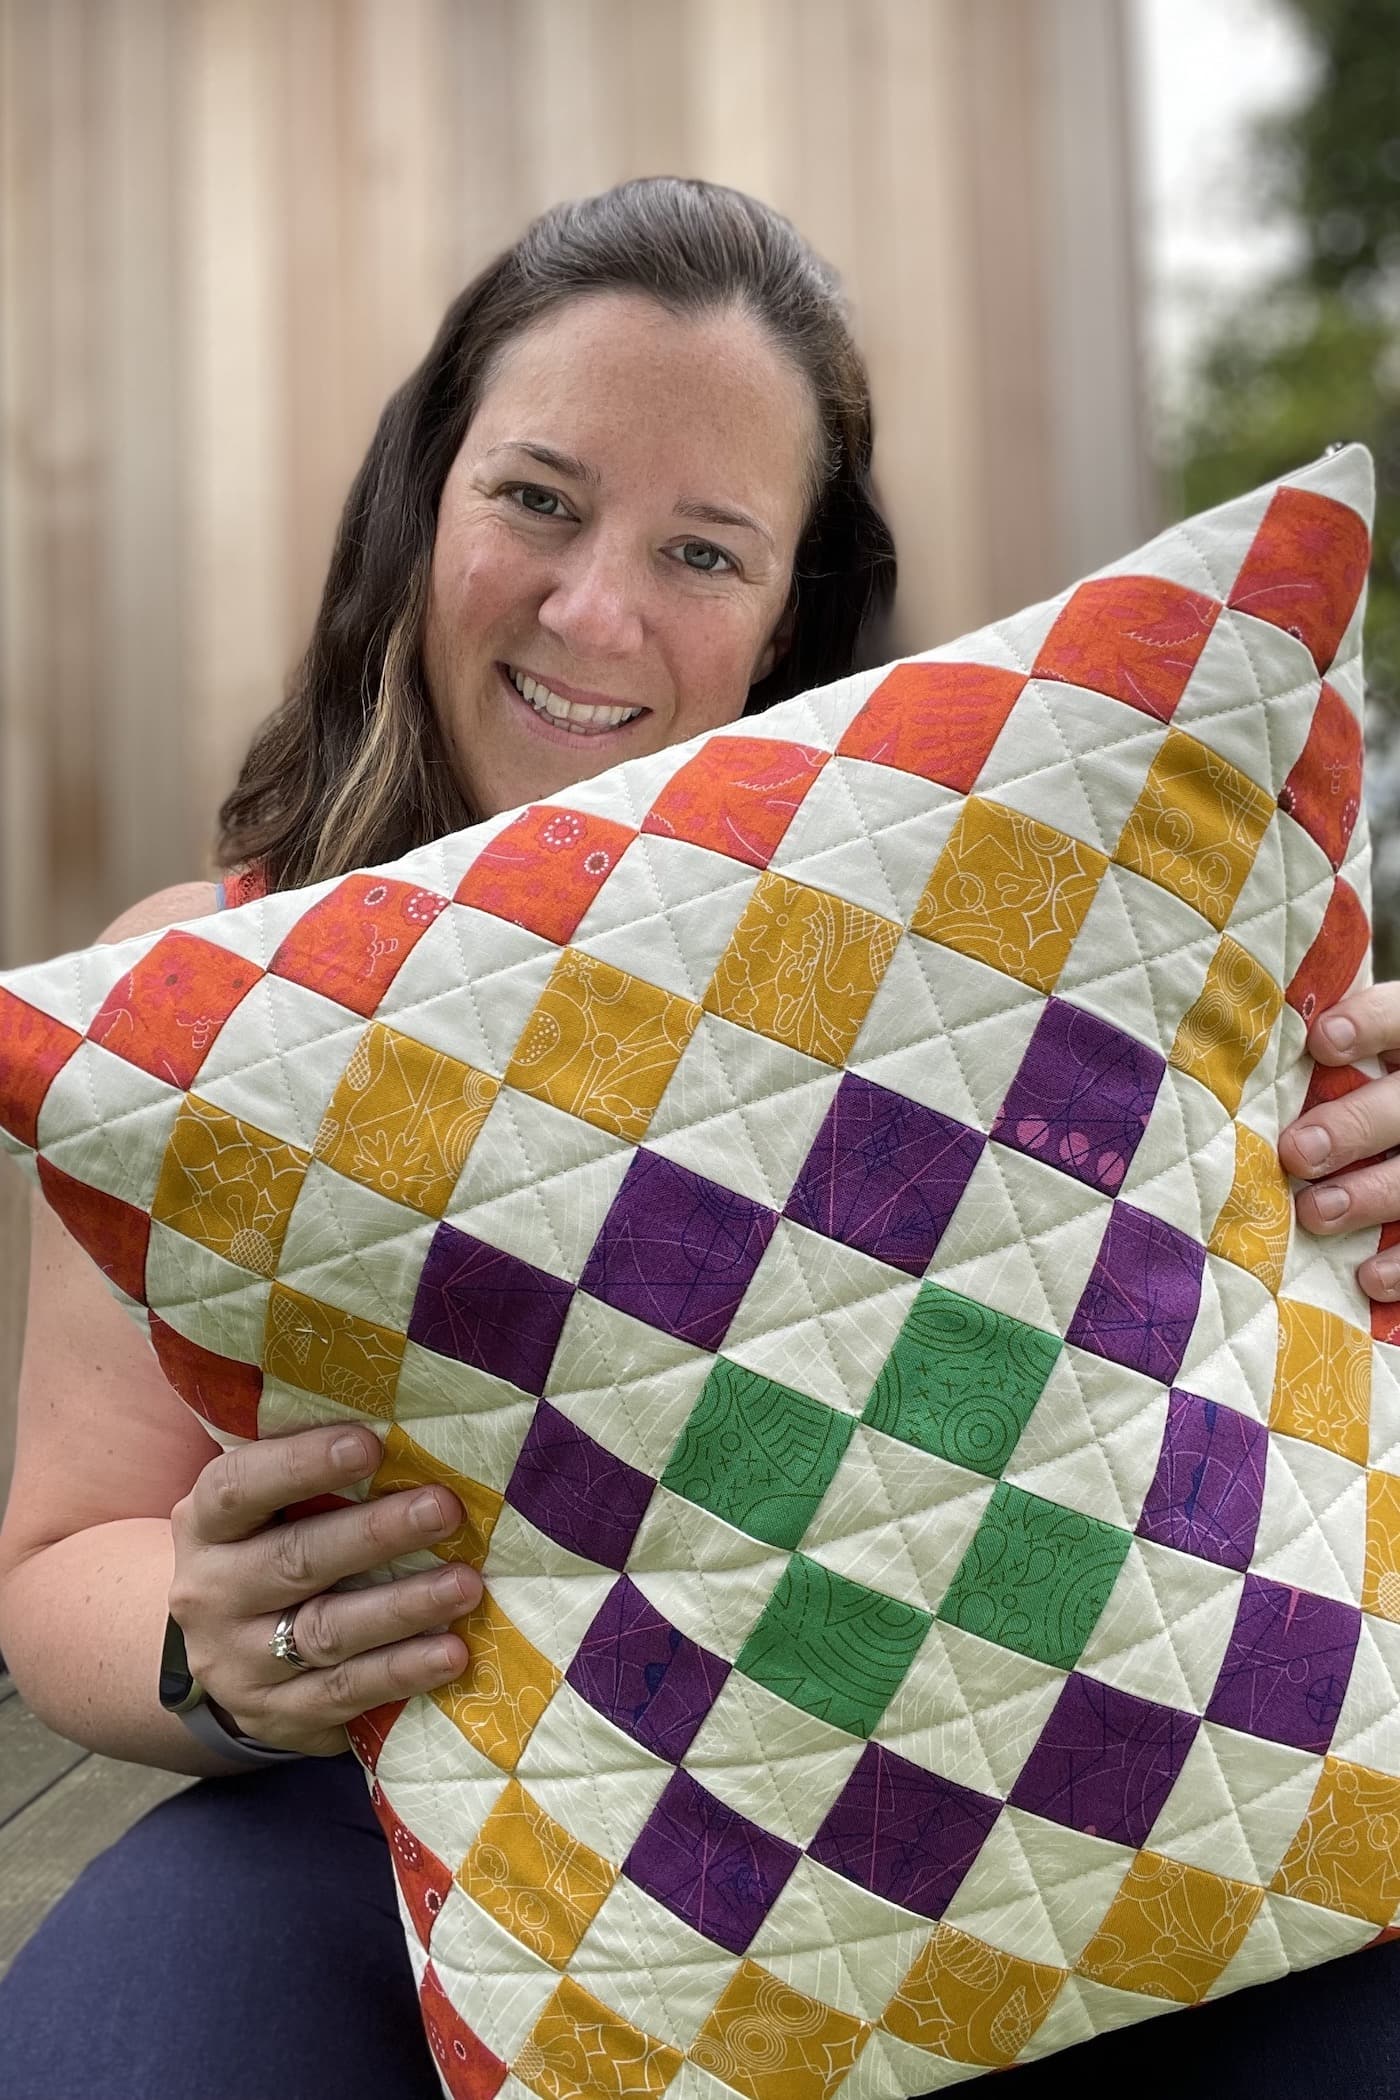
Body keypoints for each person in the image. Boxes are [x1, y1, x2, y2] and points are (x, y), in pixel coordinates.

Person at [0, 176, 1396, 2100]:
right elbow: (65, 1549)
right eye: (541, 502)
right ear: (426, 503)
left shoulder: (1028, 927)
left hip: (1096, 1761)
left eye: (705, 551)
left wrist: (1336, 1194)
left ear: (798, 605)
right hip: (430, 1799)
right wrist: (211, 1646)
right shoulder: (198, 996)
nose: (594, 612)